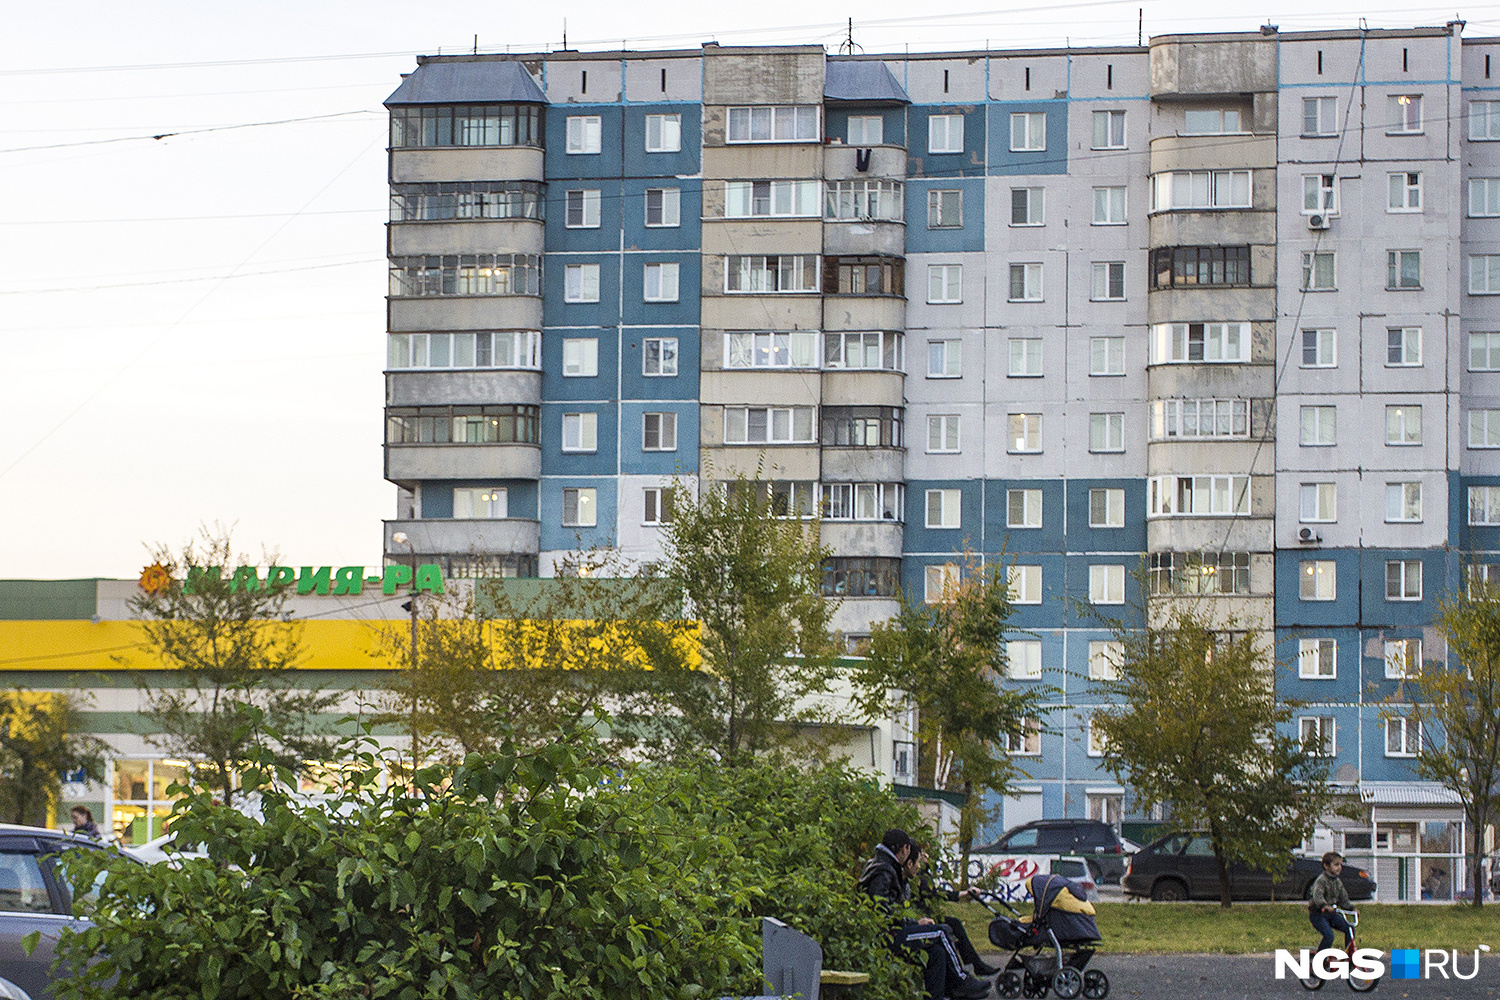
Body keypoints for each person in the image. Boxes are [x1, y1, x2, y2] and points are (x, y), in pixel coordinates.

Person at [858, 828, 991, 1000]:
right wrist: (911, 924)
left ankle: (937, 996)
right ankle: (960, 981)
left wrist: (913, 923)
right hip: (886, 936)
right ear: (905, 849)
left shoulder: (882, 865)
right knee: (941, 931)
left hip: (890, 932)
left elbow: (888, 909)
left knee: (936, 952)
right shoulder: (884, 870)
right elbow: (880, 910)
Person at [907, 842, 1001, 977]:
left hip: (926, 914)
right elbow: (934, 894)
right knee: (949, 927)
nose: (927, 856)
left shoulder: (923, 874)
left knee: (954, 924)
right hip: (923, 917)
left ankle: (974, 964)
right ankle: (963, 971)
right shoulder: (918, 877)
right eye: (923, 854)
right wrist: (962, 894)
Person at [1308, 851, 1354, 952]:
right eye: (1336, 865)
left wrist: (1352, 908)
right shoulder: (1321, 880)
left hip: (1331, 914)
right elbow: (1317, 896)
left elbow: (1343, 899)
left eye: (1340, 865)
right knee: (1329, 936)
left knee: (1349, 929)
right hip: (1318, 914)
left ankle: (1349, 955)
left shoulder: (1337, 882)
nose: (1339, 867)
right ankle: (1320, 960)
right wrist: (1324, 905)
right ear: (1326, 866)